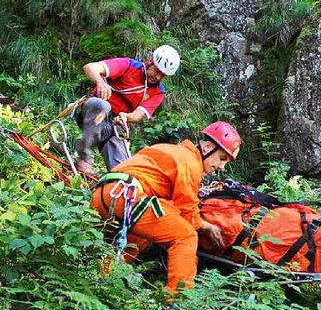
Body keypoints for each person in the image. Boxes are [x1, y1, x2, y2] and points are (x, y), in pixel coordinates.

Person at [90, 121, 242, 295]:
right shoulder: (190, 162)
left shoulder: (172, 150)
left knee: (140, 238)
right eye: (222, 158)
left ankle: (102, 277)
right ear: (207, 147)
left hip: (105, 195)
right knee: (186, 236)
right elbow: (187, 209)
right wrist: (206, 227)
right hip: (126, 197)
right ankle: (178, 299)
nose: (222, 167)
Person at [75, 45, 181, 173]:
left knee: (123, 170)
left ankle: (114, 187)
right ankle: (84, 157)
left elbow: (138, 114)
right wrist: (101, 82)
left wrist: (125, 117)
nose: (158, 77)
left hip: (113, 124)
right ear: (150, 61)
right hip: (91, 110)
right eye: (157, 71)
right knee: (103, 106)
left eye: (163, 75)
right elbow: (90, 67)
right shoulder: (129, 66)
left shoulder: (158, 91)